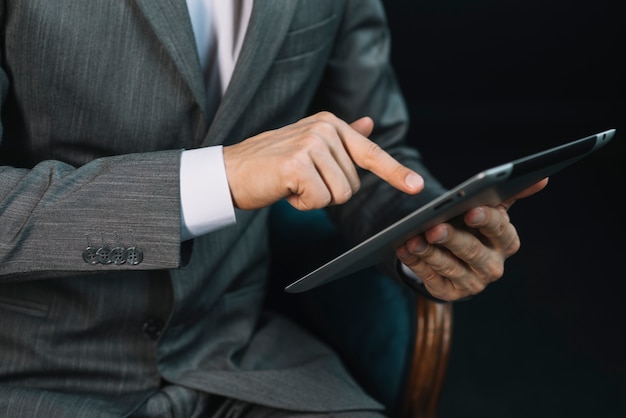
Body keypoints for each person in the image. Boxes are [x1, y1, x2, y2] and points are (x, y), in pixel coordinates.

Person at [0, 1, 547, 417]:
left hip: (236, 359)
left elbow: (373, 153)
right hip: (29, 371)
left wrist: (430, 233)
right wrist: (222, 176)